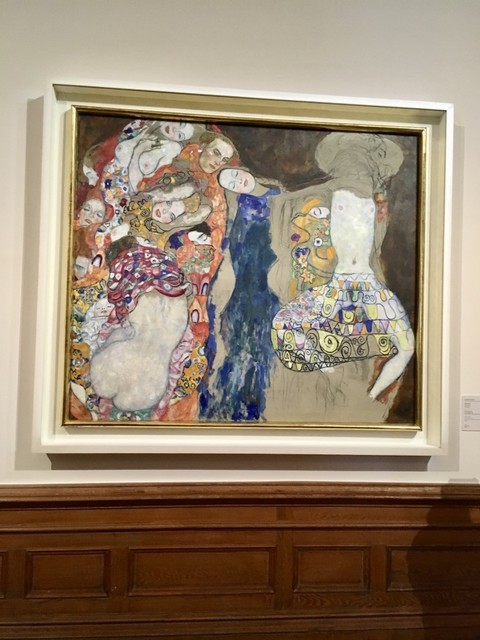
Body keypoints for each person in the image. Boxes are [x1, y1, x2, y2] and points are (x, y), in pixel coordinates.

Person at [271, 132, 414, 401]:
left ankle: (371, 395)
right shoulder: (338, 191)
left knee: (407, 348)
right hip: (340, 284)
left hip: (365, 283)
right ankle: (327, 366)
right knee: (283, 324)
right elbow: (290, 196)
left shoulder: (371, 199)